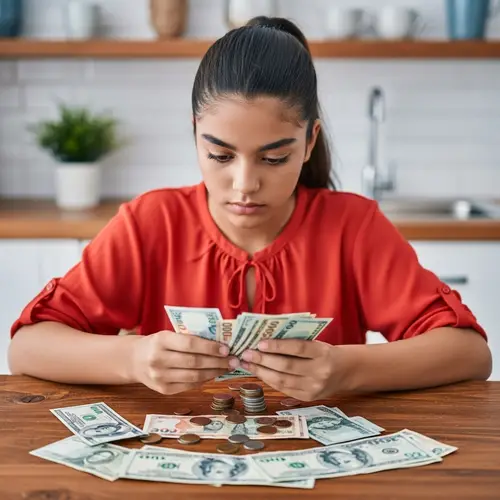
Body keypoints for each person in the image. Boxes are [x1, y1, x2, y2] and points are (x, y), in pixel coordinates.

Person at [8, 17, 491, 401]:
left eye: (274, 157)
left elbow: (470, 354)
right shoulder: (150, 223)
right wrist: (133, 358)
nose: (244, 184)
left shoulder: (353, 227)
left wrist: (347, 369)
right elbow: (28, 348)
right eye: (219, 155)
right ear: (195, 133)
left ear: (309, 143)